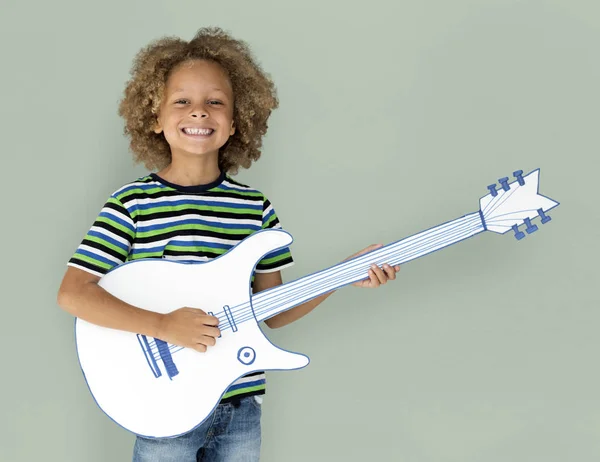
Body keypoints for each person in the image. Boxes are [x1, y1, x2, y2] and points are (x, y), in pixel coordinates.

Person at [57, 26, 400, 462]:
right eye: (182, 101)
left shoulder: (255, 209)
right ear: (155, 118)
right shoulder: (132, 204)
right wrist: (162, 326)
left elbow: (271, 310)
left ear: (237, 120)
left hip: (240, 409)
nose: (199, 112)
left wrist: (344, 274)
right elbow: (73, 293)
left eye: (215, 102)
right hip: (165, 407)